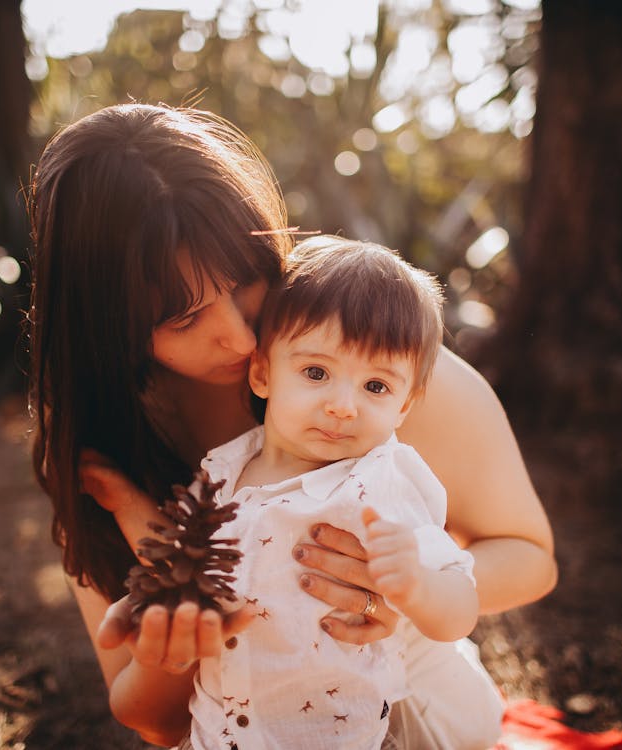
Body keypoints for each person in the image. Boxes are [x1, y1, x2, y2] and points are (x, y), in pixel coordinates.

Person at [26, 102, 557, 749]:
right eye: (183, 318)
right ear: (108, 328)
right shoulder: (100, 447)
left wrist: (409, 595)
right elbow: (158, 724)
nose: (239, 334)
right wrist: (176, 648)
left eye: (246, 280)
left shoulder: (370, 367)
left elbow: (529, 556)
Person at [183, 236, 480, 750]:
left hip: (335, 736)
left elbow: (460, 610)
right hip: (216, 732)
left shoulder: (379, 485)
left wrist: (415, 586)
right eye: (316, 372)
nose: (344, 406)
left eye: (376, 387)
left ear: (405, 407)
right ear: (262, 372)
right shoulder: (222, 469)